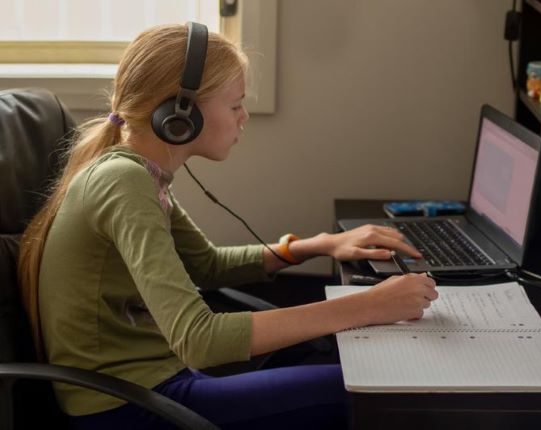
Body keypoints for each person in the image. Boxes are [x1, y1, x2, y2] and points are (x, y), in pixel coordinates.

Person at [18, 23, 438, 430]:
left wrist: (318, 245)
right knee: (370, 391)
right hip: (127, 406)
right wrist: (369, 306)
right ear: (180, 113)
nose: (244, 117)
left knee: (344, 363)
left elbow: (208, 265)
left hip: (154, 385)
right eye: (235, 104)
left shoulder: (137, 173)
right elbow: (199, 339)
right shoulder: (123, 181)